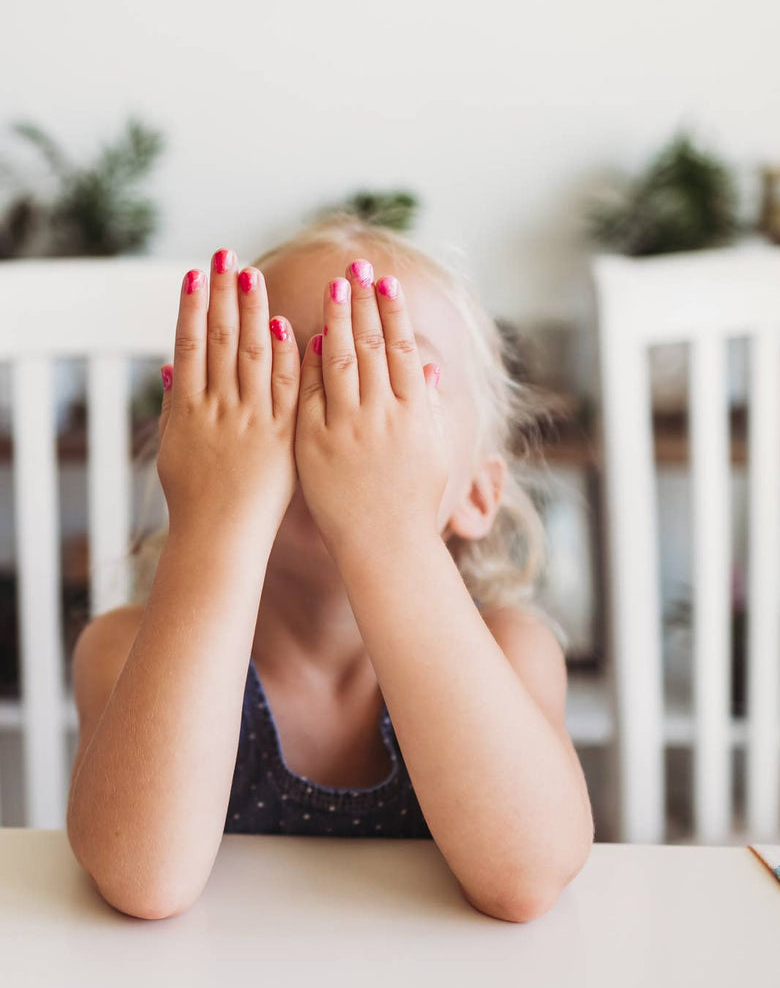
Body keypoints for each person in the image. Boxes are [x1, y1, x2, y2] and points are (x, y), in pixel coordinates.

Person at [65, 215, 592, 923]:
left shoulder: (512, 653)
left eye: (398, 374)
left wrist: (390, 531)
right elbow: (143, 882)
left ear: (477, 493)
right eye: (277, 372)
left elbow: (525, 879)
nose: (334, 411)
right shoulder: (125, 651)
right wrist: (216, 518)